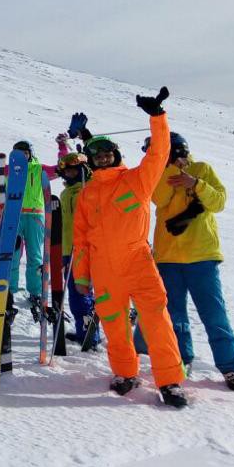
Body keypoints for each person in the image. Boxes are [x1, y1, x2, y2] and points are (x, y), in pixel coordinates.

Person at [72, 87, 189, 408]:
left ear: (117, 155)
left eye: (108, 153)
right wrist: (81, 276)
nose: (103, 158)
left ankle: (170, 381)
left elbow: (158, 153)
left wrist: (157, 118)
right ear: (92, 162)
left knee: (156, 320)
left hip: (138, 262)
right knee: (114, 323)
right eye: (97, 156)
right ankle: (125, 373)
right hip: (103, 269)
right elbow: (80, 239)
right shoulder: (87, 195)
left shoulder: (137, 180)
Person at [142, 132, 234, 391]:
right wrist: (169, 172)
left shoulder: (202, 169)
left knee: (214, 313)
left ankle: (231, 367)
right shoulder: (157, 174)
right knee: (175, 316)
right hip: (168, 257)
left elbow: (219, 202)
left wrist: (195, 183)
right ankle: (181, 360)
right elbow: (158, 198)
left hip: (202, 256)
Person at [0, 131, 66, 311]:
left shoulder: (39, 169)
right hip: (14, 215)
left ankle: (35, 291)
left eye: (25, 152)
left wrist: (62, 147)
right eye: (18, 153)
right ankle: (9, 289)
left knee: (35, 256)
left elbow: (62, 168)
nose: (22, 156)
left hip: (35, 216)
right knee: (12, 254)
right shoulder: (8, 170)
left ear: (31, 153)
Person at [55, 150, 99, 348]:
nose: (71, 174)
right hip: (67, 249)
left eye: (75, 171)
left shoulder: (88, 190)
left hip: (84, 248)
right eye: (68, 172)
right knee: (73, 292)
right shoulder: (66, 193)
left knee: (83, 292)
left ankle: (92, 334)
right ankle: (83, 330)